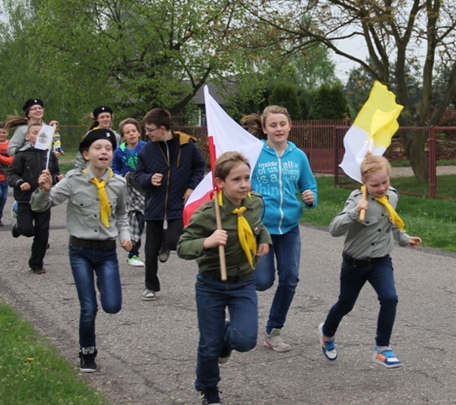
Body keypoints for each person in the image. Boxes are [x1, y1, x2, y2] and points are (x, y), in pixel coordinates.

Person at [31, 129, 132, 373]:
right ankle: (87, 352)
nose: (104, 152)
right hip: (80, 252)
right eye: (98, 148)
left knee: (112, 305)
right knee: (89, 307)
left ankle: (104, 289)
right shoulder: (73, 180)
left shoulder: (118, 184)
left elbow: (122, 215)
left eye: (108, 148)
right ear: (87, 154)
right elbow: (41, 205)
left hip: (107, 252)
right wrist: (44, 189)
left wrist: (126, 236)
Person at [177, 151, 272, 405]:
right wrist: (207, 241)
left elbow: (258, 226)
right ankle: (209, 389)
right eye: (236, 180)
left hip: (243, 282)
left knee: (245, 340)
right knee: (208, 345)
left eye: (247, 178)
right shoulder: (208, 213)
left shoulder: (255, 203)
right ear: (219, 183)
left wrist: (264, 238)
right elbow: (183, 247)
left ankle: (225, 341)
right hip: (211, 284)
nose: (244, 184)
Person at [318, 154, 422, 369]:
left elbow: (392, 224)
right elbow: (334, 229)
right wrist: (354, 214)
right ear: (364, 182)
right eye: (375, 184)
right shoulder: (357, 200)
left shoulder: (392, 197)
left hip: (381, 261)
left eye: (385, 182)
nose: (382, 187)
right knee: (345, 304)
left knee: (390, 298)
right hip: (354, 263)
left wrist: (404, 238)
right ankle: (326, 333)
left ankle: (382, 348)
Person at [243, 105, 318, 352]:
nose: (278, 129)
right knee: (263, 281)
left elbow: (310, 186)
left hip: (289, 228)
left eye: (282, 124)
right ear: (264, 128)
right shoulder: (253, 154)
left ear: (289, 126)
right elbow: (240, 182)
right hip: (260, 228)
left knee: (290, 278)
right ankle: (235, 297)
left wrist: (310, 197)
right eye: (273, 125)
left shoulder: (298, 156)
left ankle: (274, 330)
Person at [134, 108, 205, 302]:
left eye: (150, 130)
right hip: (154, 204)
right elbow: (137, 175)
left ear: (163, 128)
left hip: (178, 203)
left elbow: (200, 167)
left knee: (176, 241)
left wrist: (192, 186)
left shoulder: (186, 146)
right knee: (150, 251)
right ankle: (150, 286)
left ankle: (166, 243)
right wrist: (149, 178)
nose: (146, 133)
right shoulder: (147, 150)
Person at [6, 124, 61, 273]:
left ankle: (36, 264)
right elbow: (11, 174)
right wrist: (20, 182)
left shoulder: (49, 155)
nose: (38, 136)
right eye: (35, 133)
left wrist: (57, 178)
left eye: (41, 133)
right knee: (27, 229)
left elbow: (54, 174)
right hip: (25, 199)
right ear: (28, 136)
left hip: (43, 199)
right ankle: (19, 227)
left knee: (43, 233)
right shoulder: (22, 155)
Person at [113, 118, 147, 267]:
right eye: (127, 132)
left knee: (143, 220)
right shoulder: (119, 152)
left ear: (139, 133)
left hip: (144, 188)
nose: (131, 134)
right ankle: (133, 253)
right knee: (134, 219)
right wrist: (121, 177)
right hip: (128, 188)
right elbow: (115, 168)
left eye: (133, 131)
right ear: (123, 136)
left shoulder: (146, 148)